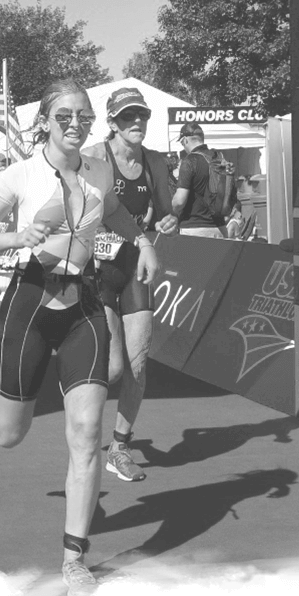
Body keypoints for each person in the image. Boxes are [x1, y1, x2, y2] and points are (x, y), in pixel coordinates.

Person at [0, 78, 159, 596]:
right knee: (9, 434)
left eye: (83, 116)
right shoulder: (19, 175)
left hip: (85, 307)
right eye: (64, 115)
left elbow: (114, 210)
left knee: (88, 432)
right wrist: (12, 237)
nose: (75, 124)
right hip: (29, 306)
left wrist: (143, 241)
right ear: (45, 121)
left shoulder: (97, 171)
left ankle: (75, 556)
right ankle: (0, 381)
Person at [84, 86, 178, 483]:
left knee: (138, 365)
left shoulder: (154, 161)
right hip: (96, 269)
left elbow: (168, 211)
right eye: (127, 117)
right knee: (113, 365)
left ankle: (120, 447)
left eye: (141, 116)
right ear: (112, 123)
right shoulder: (93, 157)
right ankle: (17, 371)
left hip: (134, 266)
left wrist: (168, 221)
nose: (136, 123)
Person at [172, 122, 228, 237]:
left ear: (185, 140)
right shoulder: (219, 157)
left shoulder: (190, 160)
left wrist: (169, 209)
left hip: (195, 229)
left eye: (182, 143)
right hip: (220, 228)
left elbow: (179, 201)